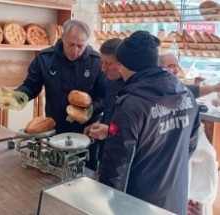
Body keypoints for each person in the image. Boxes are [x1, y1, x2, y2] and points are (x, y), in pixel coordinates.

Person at [99, 30, 200, 215]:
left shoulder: (130, 106)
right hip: (174, 199)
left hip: (138, 204)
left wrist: (109, 205)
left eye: (120, 63)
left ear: (127, 64)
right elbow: (189, 148)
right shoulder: (187, 95)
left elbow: (115, 168)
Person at [16, 19, 107, 170]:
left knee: (86, 174)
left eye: (80, 46)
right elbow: (31, 85)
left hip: (87, 130)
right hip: (55, 128)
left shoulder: (96, 62)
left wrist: (89, 110)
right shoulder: (45, 58)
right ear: (62, 37)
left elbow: (106, 97)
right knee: (55, 170)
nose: (75, 50)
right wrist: (19, 96)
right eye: (71, 44)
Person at [160, 53, 218, 215]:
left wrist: (212, 88)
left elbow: (191, 90)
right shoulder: (161, 91)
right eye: (171, 66)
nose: (176, 70)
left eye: (177, 66)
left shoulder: (179, 89)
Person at [84, 38, 123, 172]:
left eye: (108, 63)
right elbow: (109, 111)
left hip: (121, 162)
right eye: (102, 62)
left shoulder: (133, 89)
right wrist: (100, 122)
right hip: (105, 153)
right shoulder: (111, 79)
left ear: (122, 63)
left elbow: (133, 132)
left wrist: (108, 131)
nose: (103, 68)